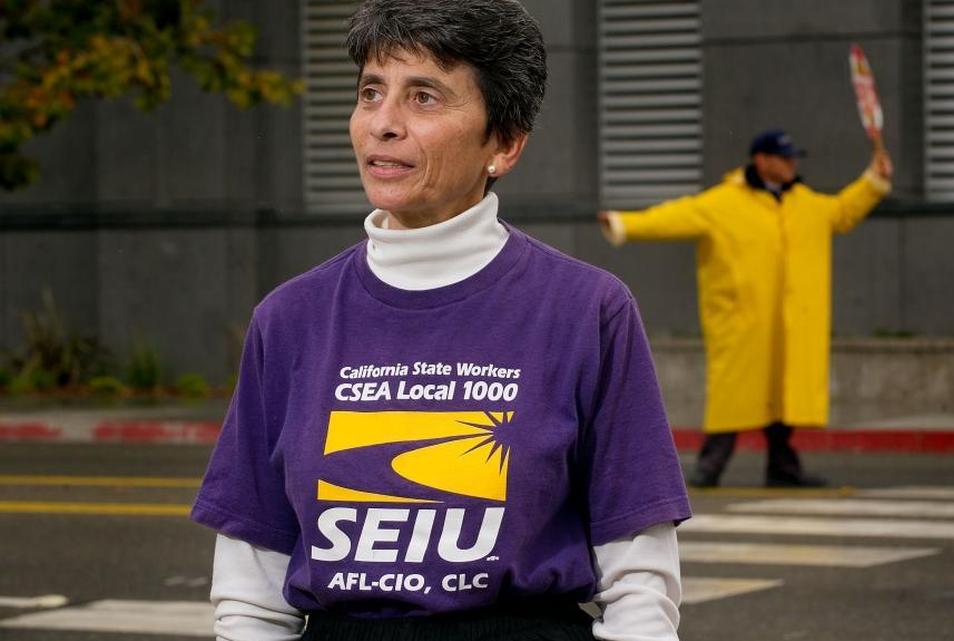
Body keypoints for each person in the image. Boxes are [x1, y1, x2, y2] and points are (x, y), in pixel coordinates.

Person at [191, 2, 691, 640]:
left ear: (504, 144)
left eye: (423, 96)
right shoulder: (289, 318)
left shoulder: (586, 310)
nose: (383, 124)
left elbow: (639, 578)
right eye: (371, 92)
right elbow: (252, 588)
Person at [598, 129, 893, 488]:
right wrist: (624, 223)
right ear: (762, 160)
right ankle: (711, 467)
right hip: (742, 322)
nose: (791, 164)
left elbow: (843, 211)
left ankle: (782, 468)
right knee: (732, 397)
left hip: (790, 324)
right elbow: (675, 216)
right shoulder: (724, 203)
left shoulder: (806, 203)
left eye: (792, 158)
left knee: (783, 397)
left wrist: (873, 180)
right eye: (784, 158)